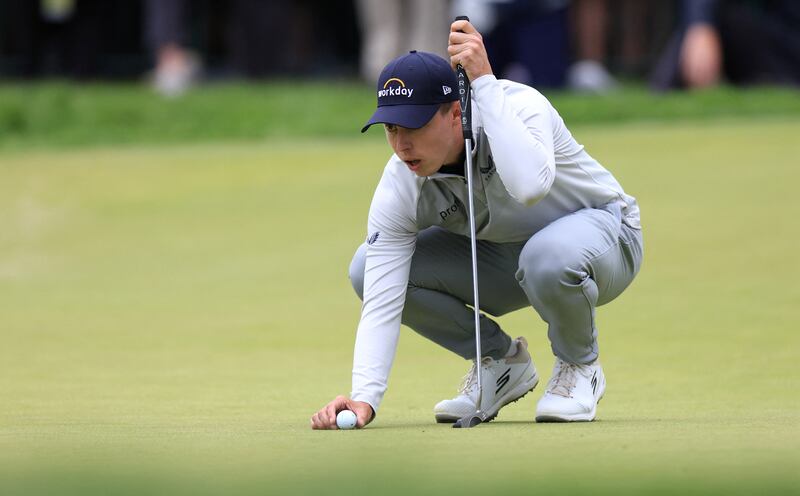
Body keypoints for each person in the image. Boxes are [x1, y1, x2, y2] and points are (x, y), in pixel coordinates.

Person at [310, 19, 643, 430]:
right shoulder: (401, 181)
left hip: (607, 237)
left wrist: (484, 80)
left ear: (454, 113)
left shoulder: (520, 106)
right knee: (364, 267)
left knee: (546, 257)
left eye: (414, 126)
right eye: (391, 129)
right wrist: (364, 397)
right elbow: (381, 290)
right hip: (510, 258)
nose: (401, 144)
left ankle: (579, 366)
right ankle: (501, 363)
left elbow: (529, 187)